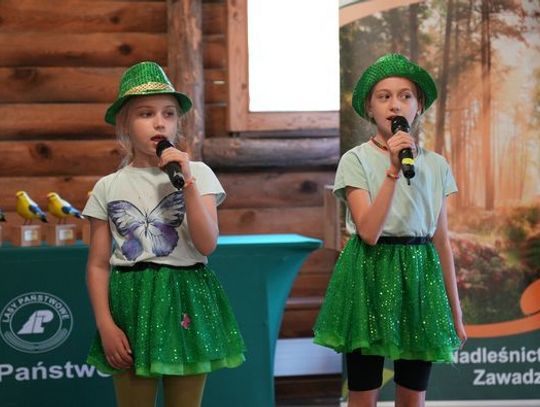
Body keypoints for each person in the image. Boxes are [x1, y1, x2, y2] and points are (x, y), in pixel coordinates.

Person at [83, 61, 245, 407]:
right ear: (124, 123)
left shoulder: (197, 173)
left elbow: (206, 243)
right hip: (132, 300)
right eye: (146, 114)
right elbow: (97, 264)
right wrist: (105, 324)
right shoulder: (108, 186)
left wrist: (186, 181)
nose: (159, 122)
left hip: (185, 295)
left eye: (168, 114)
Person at [313, 53, 467, 407]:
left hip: (419, 278)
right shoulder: (355, 160)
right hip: (369, 274)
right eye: (384, 96)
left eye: (405, 96)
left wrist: (454, 313)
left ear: (418, 106)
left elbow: (441, 241)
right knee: (363, 394)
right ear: (370, 109)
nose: (394, 104)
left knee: (413, 395)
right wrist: (393, 171)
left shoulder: (437, 165)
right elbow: (368, 231)